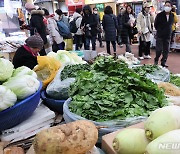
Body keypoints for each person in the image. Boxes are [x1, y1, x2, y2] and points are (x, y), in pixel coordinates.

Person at [154, 1, 174, 67]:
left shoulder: (172, 15)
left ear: (171, 7)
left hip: (168, 35)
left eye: (168, 6)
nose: (167, 7)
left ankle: (163, 62)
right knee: (159, 50)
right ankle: (156, 60)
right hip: (160, 35)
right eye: (166, 5)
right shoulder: (159, 15)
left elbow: (171, 24)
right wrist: (160, 30)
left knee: (166, 51)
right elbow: (155, 24)